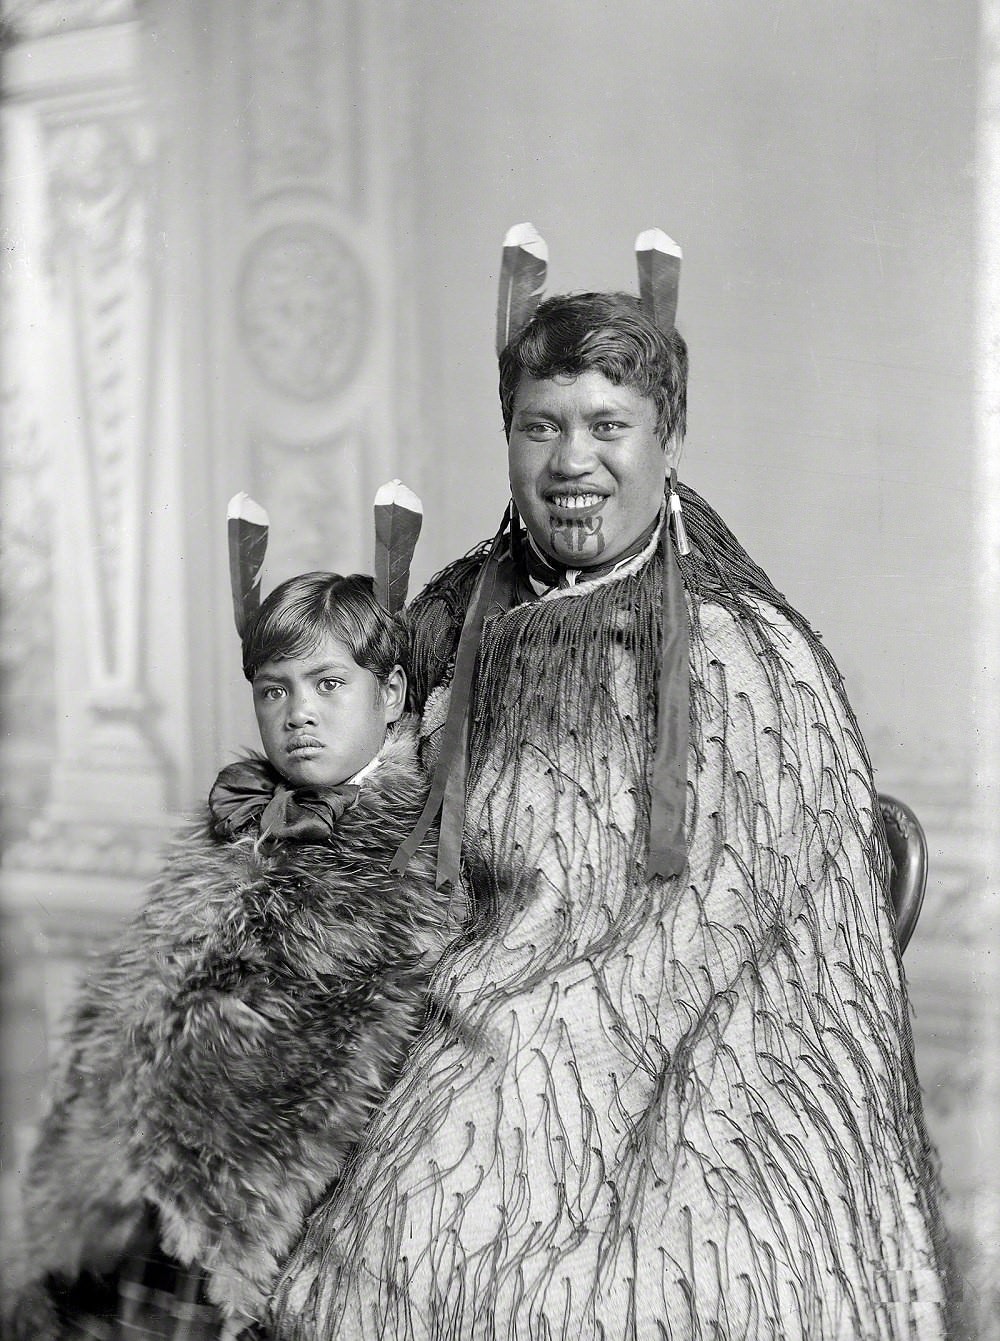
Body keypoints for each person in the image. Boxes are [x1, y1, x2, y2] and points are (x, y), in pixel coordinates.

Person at [267, 246, 952, 1339]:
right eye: (541, 426)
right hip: (460, 1017)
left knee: (493, 1256)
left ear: (663, 443)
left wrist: (542, 1038)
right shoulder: (453, 618)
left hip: (711, 1058)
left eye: (606, 426)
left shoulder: (743, 654)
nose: (571, 460)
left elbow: (743, 929)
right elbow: (364, 815)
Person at [4, 564, 456, 1340]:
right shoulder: (243, 816)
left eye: (327, 684)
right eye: (274, 690)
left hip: (249, 1208)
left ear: (389, 693)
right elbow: (141, 989)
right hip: (130, 1181)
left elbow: (330, 1056)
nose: (298, 715)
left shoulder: (406, 848)